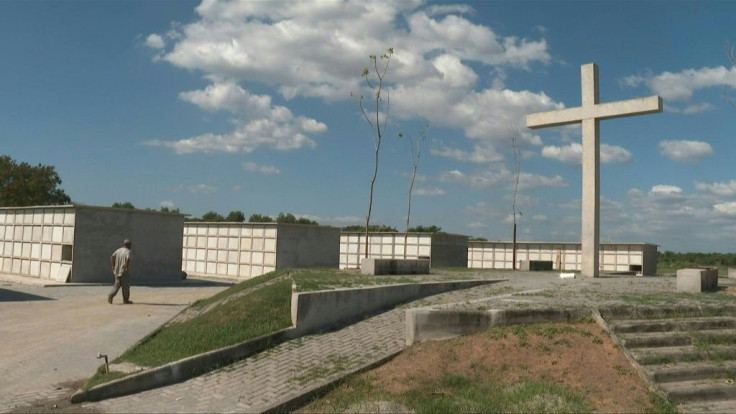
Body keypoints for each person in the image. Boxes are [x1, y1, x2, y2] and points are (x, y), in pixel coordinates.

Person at [108, 239, 133, 304]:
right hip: (124, 271)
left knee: (117, 285)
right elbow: (128, 259)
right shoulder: (128, 251)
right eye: (130, 244)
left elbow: (112, 256)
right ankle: (126, 300)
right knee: (126, 286)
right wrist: (126, 266)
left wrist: (113, 265)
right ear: (129, 245)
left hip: (116, 270)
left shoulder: (118, 250)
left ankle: (111, 295)